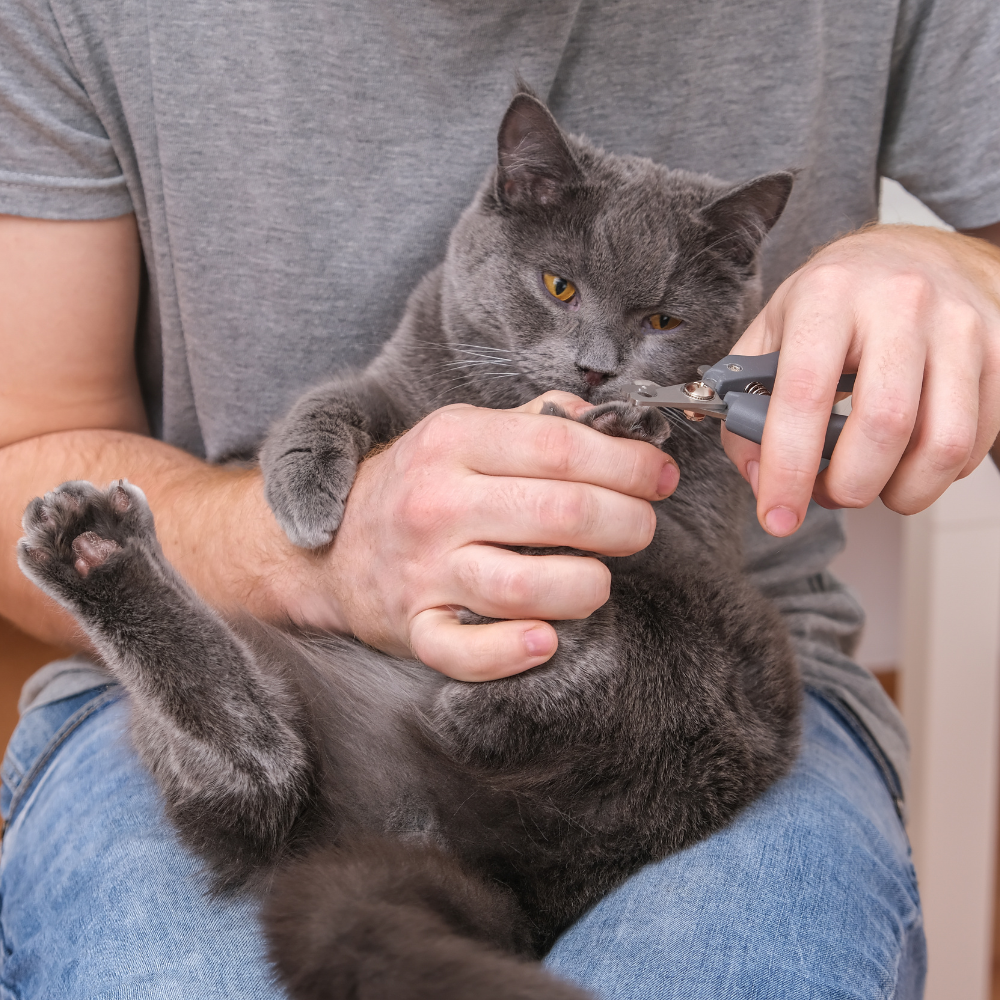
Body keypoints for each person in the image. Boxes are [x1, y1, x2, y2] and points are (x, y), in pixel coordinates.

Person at [0, 0, 998, 996]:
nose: (602, 361)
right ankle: (189, 665)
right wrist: (302, 556)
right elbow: (24, 457)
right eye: (566, 297)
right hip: (295, 666)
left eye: (652, 322)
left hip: (645, 751)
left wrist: (965, 279)